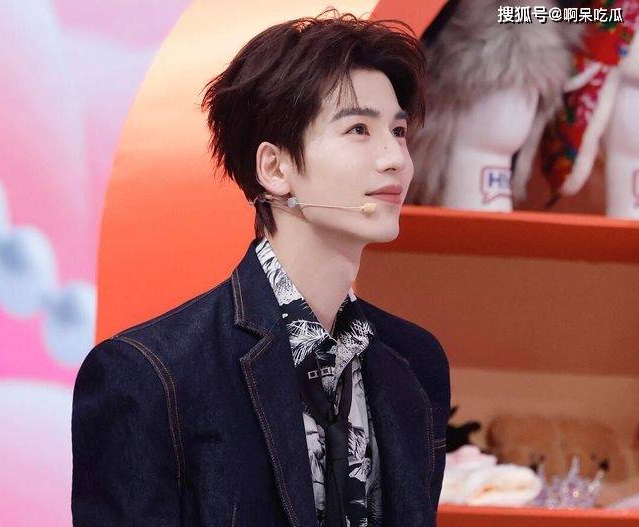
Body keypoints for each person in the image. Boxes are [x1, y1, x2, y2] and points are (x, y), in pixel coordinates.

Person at [72, 9, 450, 527]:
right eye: (359, 129)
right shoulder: (151, 376)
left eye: (399, 131)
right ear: (274, 168)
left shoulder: (415, 362)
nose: (396, 160)